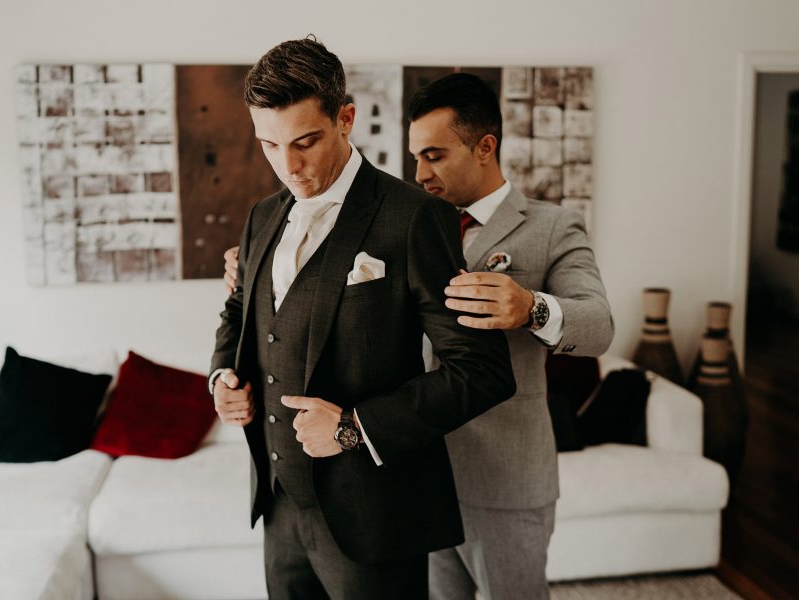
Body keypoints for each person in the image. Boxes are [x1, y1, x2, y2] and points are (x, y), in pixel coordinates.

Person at [224, 72, 614, 599]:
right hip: (398, 471)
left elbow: (598, 325)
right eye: (414, 157)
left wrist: (532, 308)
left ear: (484, 148)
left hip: (493, 473)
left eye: (435, 155)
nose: (420, 172)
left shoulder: (547, 227)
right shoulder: (328, 218)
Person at [209, 39, 516, 600]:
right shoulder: (261, 216)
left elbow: (482, 370)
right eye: (269, 145)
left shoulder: (414, 218)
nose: (290, 166)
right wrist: (223, 380)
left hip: (374, 515)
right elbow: (238, 310)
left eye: (305, 141)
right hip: (279, 504)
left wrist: (354, 427)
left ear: (345, 118)